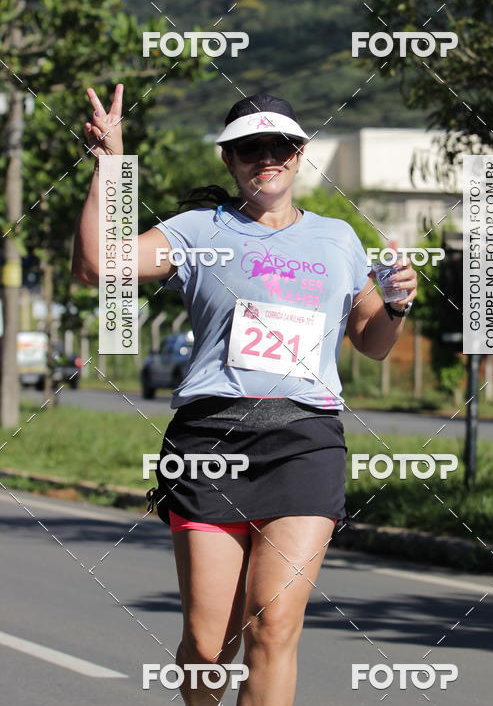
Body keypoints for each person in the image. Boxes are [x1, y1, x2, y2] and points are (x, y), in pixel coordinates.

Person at [72, 84, 418, 706]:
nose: (268, 157)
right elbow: (97, 265)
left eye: (280, 145)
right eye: (250, 147)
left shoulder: (338, 240)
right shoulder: (197, 230)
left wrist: (396, 303)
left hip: (304, 440)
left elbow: (371, 341)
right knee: (210, 645)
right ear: (229, 160)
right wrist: (109, 166)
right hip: (211, 440)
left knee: (273, 625)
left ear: (299, 153)